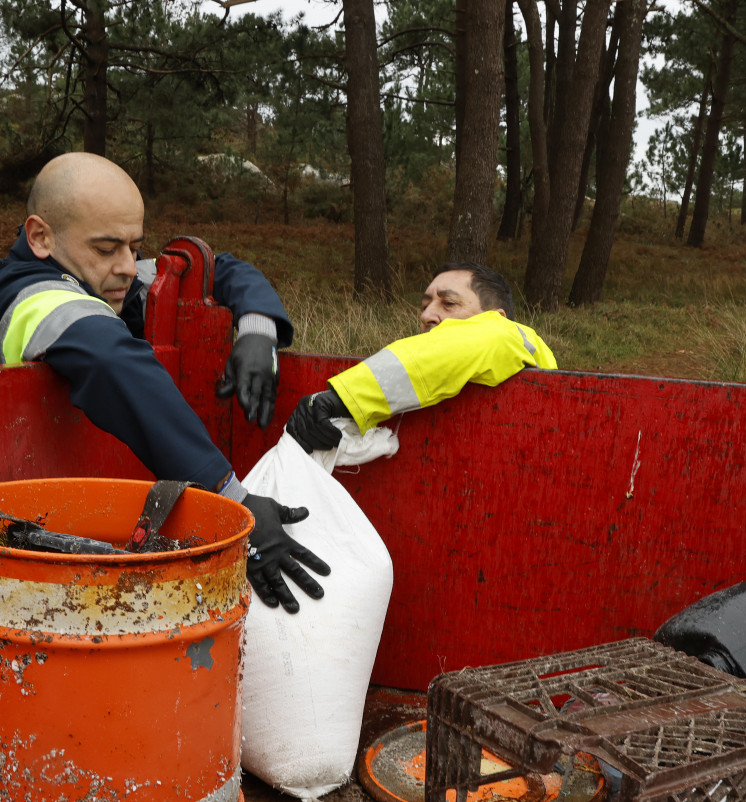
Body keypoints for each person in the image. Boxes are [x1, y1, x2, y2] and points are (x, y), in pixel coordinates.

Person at [0, 152, 327, 613]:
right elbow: (113, 361)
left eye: (135, 245)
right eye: (107, 247)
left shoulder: (101, 274)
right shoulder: (34, 296)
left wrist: (257, 330)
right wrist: (233, 502)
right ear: (40, 237)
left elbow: (216, 269)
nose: (130, 266)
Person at [286, 262, 558, 451]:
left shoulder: (510, 334)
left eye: (448, 303)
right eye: (425, 306)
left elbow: (457, 347)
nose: (426, 315)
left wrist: (345, 398)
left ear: (496, 317)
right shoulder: (426, 380)